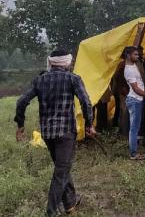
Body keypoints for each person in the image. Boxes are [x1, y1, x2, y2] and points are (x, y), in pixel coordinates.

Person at [14, 49, 95, 217]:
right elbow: (86, 101)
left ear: (52, 62)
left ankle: (70, 204)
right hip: (66, 132)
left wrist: (20, 125)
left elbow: (22, 101)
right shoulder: (73, 78)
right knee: (61, 172)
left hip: (48, 133)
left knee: (62, 168)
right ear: (66, 62)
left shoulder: (40, 80)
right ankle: (50, 212)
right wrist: (89, 124)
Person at [123, 46, 145, 160]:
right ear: (128, 55)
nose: (137, 56)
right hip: (134, 99)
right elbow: (135, 88)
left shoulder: (134, 65)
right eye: (135, 54)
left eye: (138, 54)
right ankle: (133, 153)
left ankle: (134, 151)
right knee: (134, 128)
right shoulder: (128, 70)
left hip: (137, 99)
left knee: (135, 127)